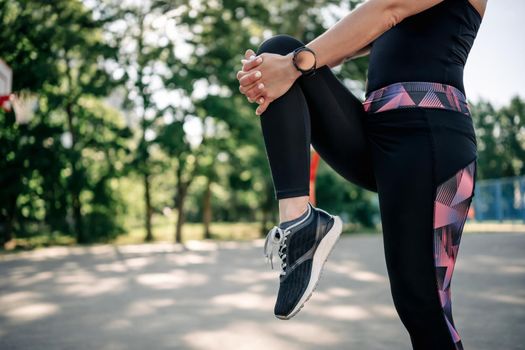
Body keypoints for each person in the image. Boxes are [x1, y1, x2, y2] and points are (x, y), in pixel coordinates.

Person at [236, 0, 487, 349]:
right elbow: (361, 35)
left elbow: (389, 9)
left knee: (422, 306)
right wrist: (274, 70)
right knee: (276, 53)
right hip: (377, 129)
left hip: (430, 138)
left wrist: (296, 64)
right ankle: (300, 225)